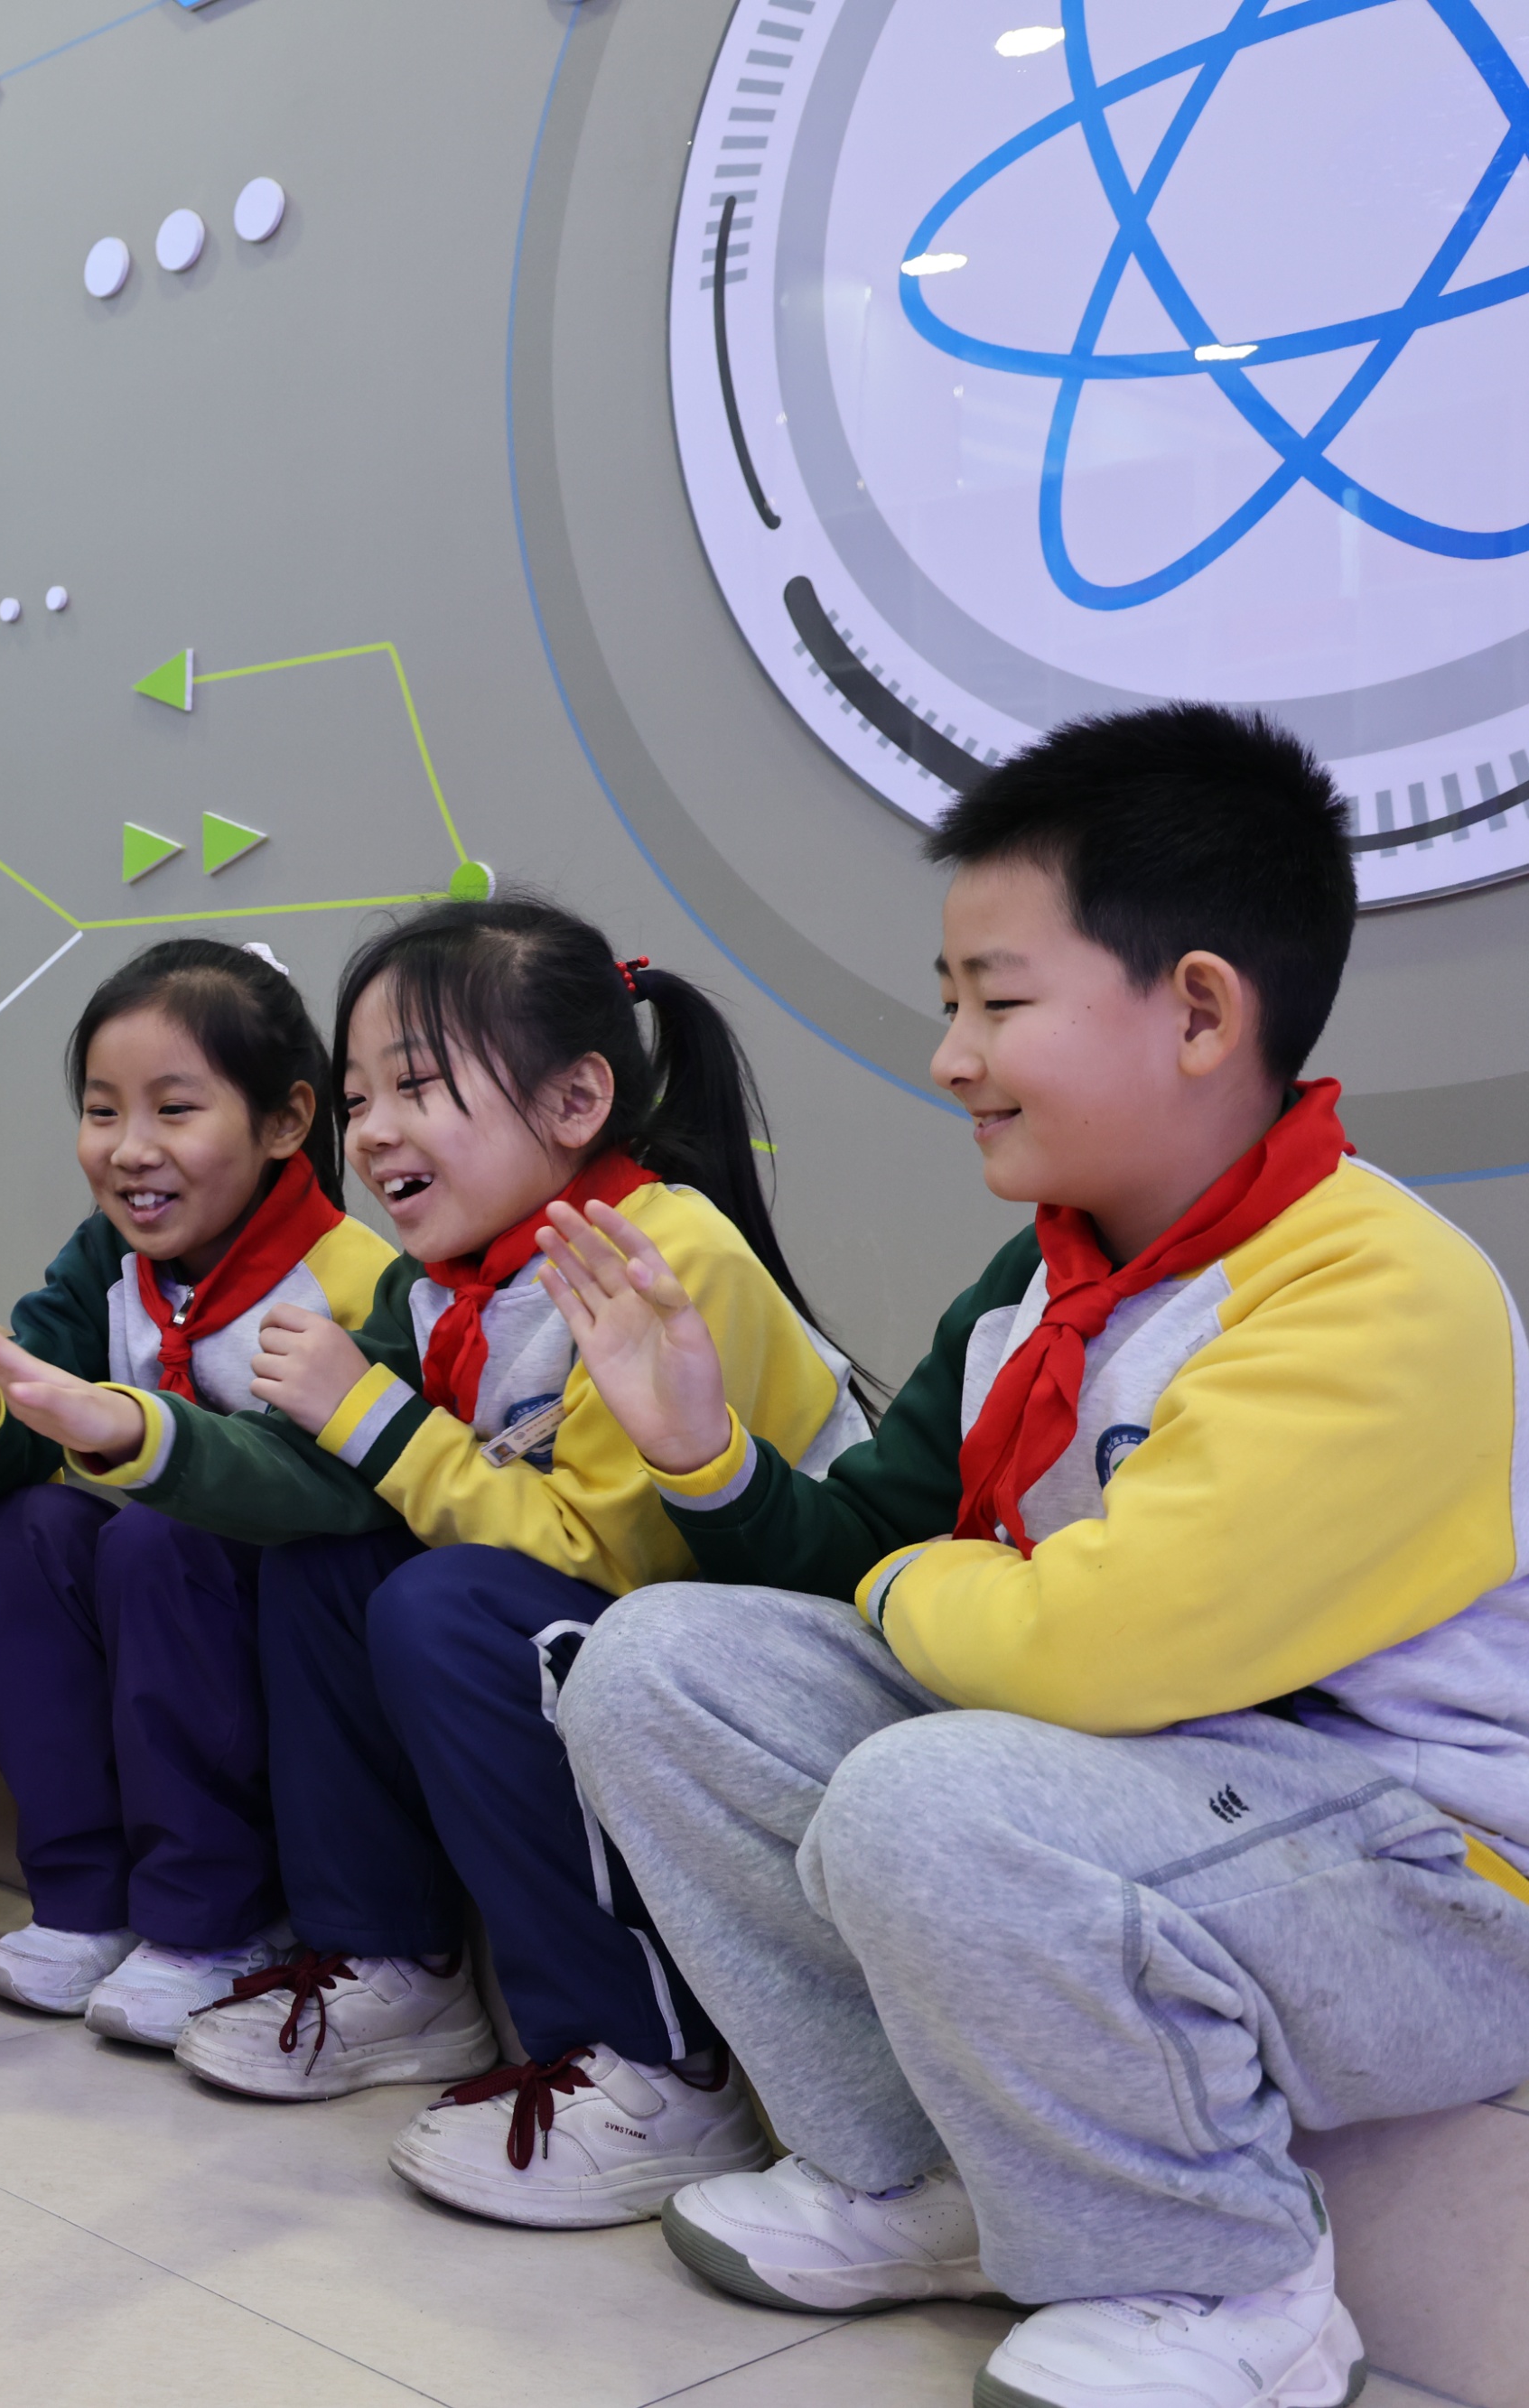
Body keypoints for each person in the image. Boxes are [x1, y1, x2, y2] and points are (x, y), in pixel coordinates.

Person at [548, 707, 1529, 2408]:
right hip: (1158, 1800)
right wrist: (706, 1453)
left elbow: (1098, 1649)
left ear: (1201, 1011)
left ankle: (1227, 2280)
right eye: (952, 1003)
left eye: (997, 1002)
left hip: (1438, 1888)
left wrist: (908, 1586)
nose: (952, 1056)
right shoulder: (1043, 1284)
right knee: (658, 1668)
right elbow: (863, 1549)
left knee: (938, 1792)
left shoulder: (1379, 1285)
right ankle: (920, 2173)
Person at [19, 899, 866, 2227]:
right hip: (611, 1644)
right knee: (330, 1558)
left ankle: (656, 2063)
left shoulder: (663, 1249)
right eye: (362, 1096)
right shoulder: (441, 1287)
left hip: (760, 1684)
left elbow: (617, 1561)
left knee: (448, 1601)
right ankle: (393, 1966)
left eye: (416, 1086)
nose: (372, 1132)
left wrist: (370, 1414)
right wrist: (123, 1430)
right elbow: (328, 1481)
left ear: (577, 1099)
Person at [0, 938, 402, 2042]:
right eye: (101, 1111)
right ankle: (87, 1901)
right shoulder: (104, 1262)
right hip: (159, 1610)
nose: (130, 1149)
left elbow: (326, 1497)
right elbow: (24, 1422)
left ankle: (213, 1920)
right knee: (20, 1532)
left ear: (287, 1120)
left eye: (174, 1109)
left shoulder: (355, 1277)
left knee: (159, 1539)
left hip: (293, 1657)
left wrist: (149, 1446)